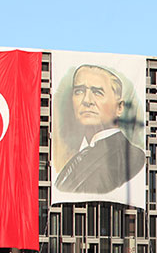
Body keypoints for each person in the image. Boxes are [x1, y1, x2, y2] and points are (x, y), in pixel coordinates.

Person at [55, 64, 146, 194]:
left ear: (119, 107)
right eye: (79, 91)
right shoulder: (77, 154)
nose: (87, 101)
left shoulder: (132, 157)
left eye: (97, 92)